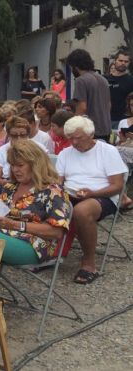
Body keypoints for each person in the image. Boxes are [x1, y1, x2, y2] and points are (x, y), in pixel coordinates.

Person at [0, 140, 72, 266]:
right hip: (1, 237)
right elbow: (0, 215)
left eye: (20, 165)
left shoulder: (54, 192)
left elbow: (57, 232)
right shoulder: (10, 187)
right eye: (12, 165)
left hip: (32, 246)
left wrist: (15, 225)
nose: (15, 170)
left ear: (35, 165)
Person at [57, 116, 127, 284]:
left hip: (103, 195)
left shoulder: (107, 151)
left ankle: (89, 263)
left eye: (78, 138)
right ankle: (47, 253)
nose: (73, 142)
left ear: (91, 134)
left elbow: (117, 186)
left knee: (81, 211)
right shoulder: (65, 153)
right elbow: (58, 181)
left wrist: (92, 193)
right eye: (70, 138)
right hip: (72, 193)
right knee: (45, 203)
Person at [68, 48, 112, 140]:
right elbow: (109, 105)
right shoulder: (103, 79)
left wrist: (72, 125)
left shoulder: (81, 80)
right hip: (106, 129)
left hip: (91, 131)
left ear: (75, 66)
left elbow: (82, 107)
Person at [0, 116, 49, 182]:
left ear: (28, 134)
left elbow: (46, 173)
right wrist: (7, 183)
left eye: (23, 135)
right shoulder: (1, 150)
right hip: (9, 182)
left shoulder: (39, 148)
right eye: (14, 135)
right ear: (9, 135)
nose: (19, 139)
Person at [103, 49, 133, 128]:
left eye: (126, 61)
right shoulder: (104, 79)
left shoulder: (131, 80)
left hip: (124, 120)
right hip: (105, 119)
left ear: (129, 63)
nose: (123, 63)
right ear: (115, 61)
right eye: (120, 60)